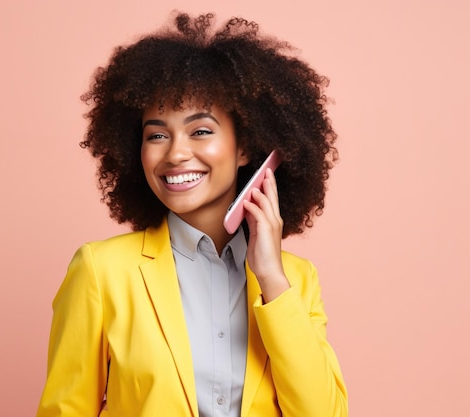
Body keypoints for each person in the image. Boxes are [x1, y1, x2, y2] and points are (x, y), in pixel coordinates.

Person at [36, 12, 348, 417]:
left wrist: (271, 280)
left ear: (245, 148)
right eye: (157, 135)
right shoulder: (101, 271)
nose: (175, 153)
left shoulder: (295, 281)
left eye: (200, 130)